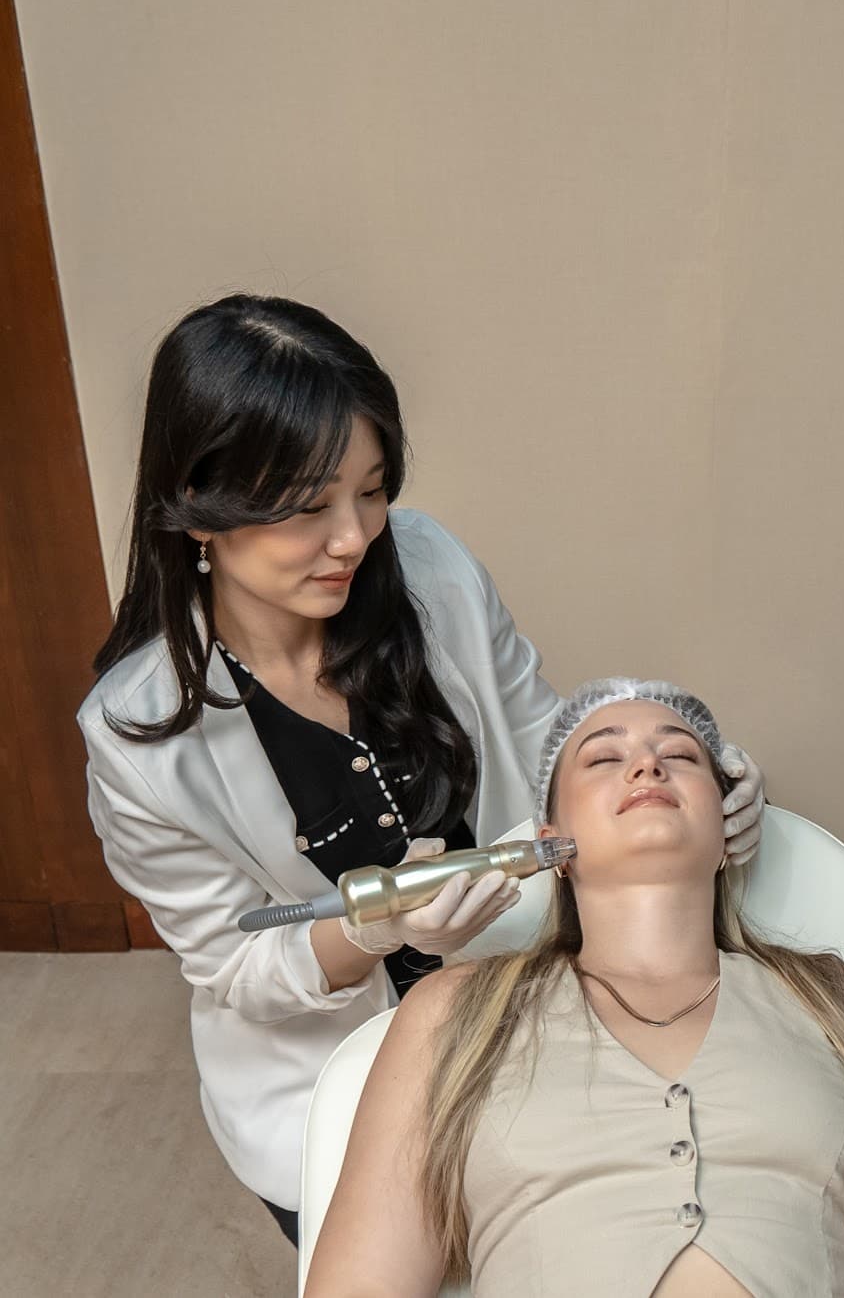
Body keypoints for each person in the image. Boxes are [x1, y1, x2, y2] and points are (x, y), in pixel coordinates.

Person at [77, 296, 767, 1246]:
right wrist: (374, 931)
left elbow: (545, 743)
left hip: (520, 1003)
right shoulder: (137, 734)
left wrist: (687, 756)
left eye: (371, 489)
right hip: (332, 1070)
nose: (355, 537)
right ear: (202, 510)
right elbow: (235, 964)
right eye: (309, 505)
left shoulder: (429, 566)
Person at [306, 680, 844, 1298]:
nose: (646, 769)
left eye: (680, 755)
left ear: (731, 826)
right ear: (549, 842)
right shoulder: (452, 1016)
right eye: (603, 759)